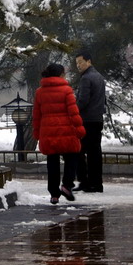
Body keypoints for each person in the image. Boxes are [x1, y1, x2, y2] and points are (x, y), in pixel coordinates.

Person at [32, 63, 85, 204]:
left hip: (48, 132)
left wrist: (37, 133)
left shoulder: (39, 92)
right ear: (61, 74)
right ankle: (67, 184)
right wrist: (79, 129)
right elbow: (73, 113)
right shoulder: (67, 90)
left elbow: (36, 115)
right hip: (66, 131)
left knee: (52, 162)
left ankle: (54, 194)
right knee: (72, 157)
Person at [74, 50, 105, 193]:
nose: (78, 65)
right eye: (76, 63)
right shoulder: (99, 76)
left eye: (80, 62)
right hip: (97, 119)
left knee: (79, 151)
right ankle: (96, 183)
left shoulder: (86, 78)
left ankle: (85, 181)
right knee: (95, 153)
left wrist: (73, 110)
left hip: (86, 120)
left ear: (89, 61)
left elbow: (83, 101)